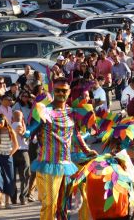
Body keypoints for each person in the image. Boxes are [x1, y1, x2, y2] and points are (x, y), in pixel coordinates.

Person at [30, 78, 97, 220]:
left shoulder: (71, 112)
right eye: (58, 90)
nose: (61, 93)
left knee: (63, 204)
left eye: (64, 90)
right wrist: (25, 132)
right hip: (48, 163)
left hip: (66, 164)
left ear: (69, 92)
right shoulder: (45, 111)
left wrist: (87, 150)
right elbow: (33, 128)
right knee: (49, 203)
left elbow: (75, 134)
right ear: (53, 91)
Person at [0, 113, 19, 209]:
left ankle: (7, 202)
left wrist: (11, 154)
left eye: (1, 121)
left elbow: (16, 146)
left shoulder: (11, 131)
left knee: (9, 179)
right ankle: (0, 201)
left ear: (5, 120)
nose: (0, 123)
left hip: (7, 157)